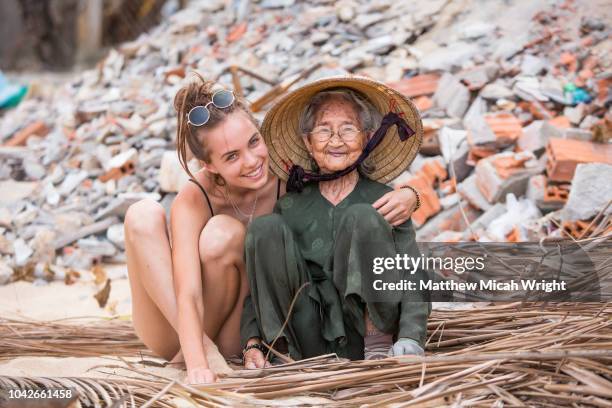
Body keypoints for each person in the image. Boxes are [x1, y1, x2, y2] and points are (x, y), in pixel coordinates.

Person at [123, 73, 421, 383]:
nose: (252, 161)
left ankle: (214, 346)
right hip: (179, 326)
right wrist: (200, 361)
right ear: (208, 165)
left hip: (233, 325)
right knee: (142, 214)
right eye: (231, 156)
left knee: (224, 235)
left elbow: (344, 163)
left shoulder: (286, 178)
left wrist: (412, 195)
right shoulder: (194, 197)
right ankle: (200, 347)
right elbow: (188, 292)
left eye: (254, 142)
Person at [241, 77, 430, 368]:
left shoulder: (386, 200)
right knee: (264, 229)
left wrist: (411, 336)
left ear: (367, 137)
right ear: (308, 142)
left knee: (364, 215)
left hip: (368, 337)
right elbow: (261, 283)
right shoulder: (290, 205)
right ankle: (280, 353)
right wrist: (251, 341)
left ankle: (376, 347)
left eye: (348, 129)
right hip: (308, 335)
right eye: (324, 130)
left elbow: (413, 272)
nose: (336, 141)